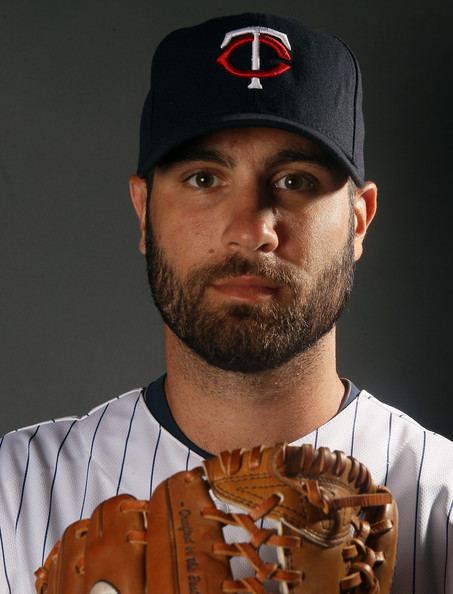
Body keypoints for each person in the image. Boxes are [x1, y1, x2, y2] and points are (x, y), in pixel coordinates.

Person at [1, 12, 452, 594]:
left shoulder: (440, 500)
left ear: (359, 221)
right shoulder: (17, 491)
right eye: (203, 179)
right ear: (144, 212)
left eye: (295, 181)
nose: (250, 228)